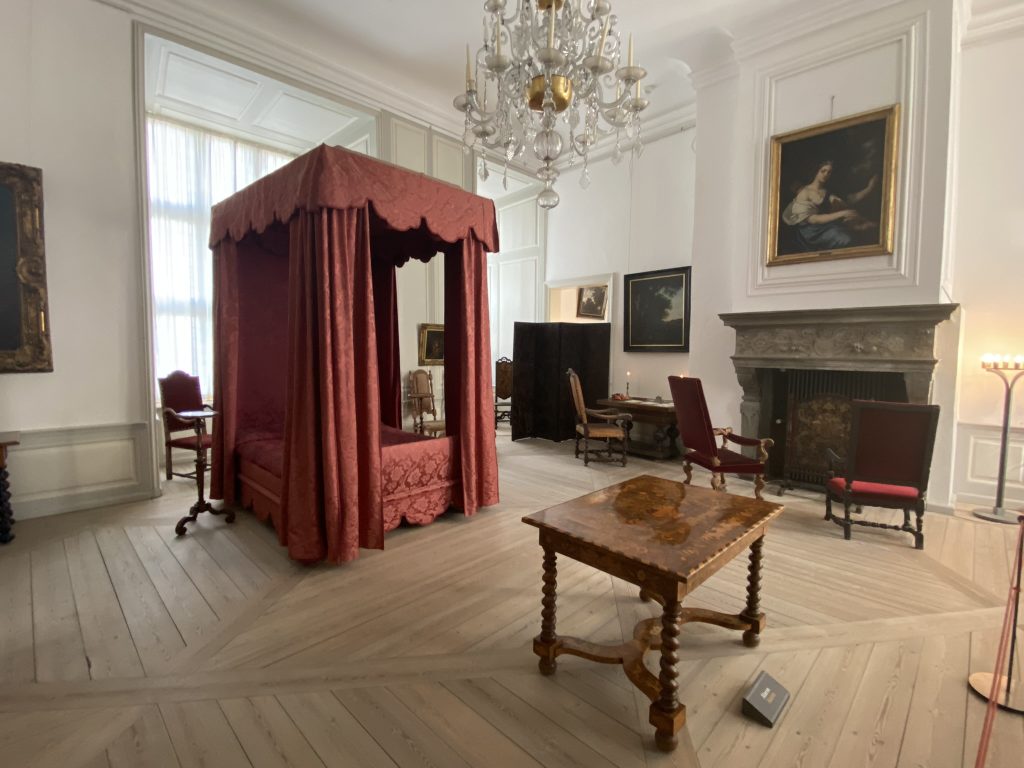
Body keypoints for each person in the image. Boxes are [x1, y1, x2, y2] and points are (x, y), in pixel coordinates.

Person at [780, 160, 878, 251]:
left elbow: (850, 200)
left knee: (856, 230)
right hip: (811, 232)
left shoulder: (826, 192)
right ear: (816, 171)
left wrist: (870, 187)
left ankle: (862, 225)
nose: (826, 174)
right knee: (845, 238)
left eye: (829, 172)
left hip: (825, 225)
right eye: (823, 171)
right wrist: (841, 214)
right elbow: (813, 219)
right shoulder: (804, 192)